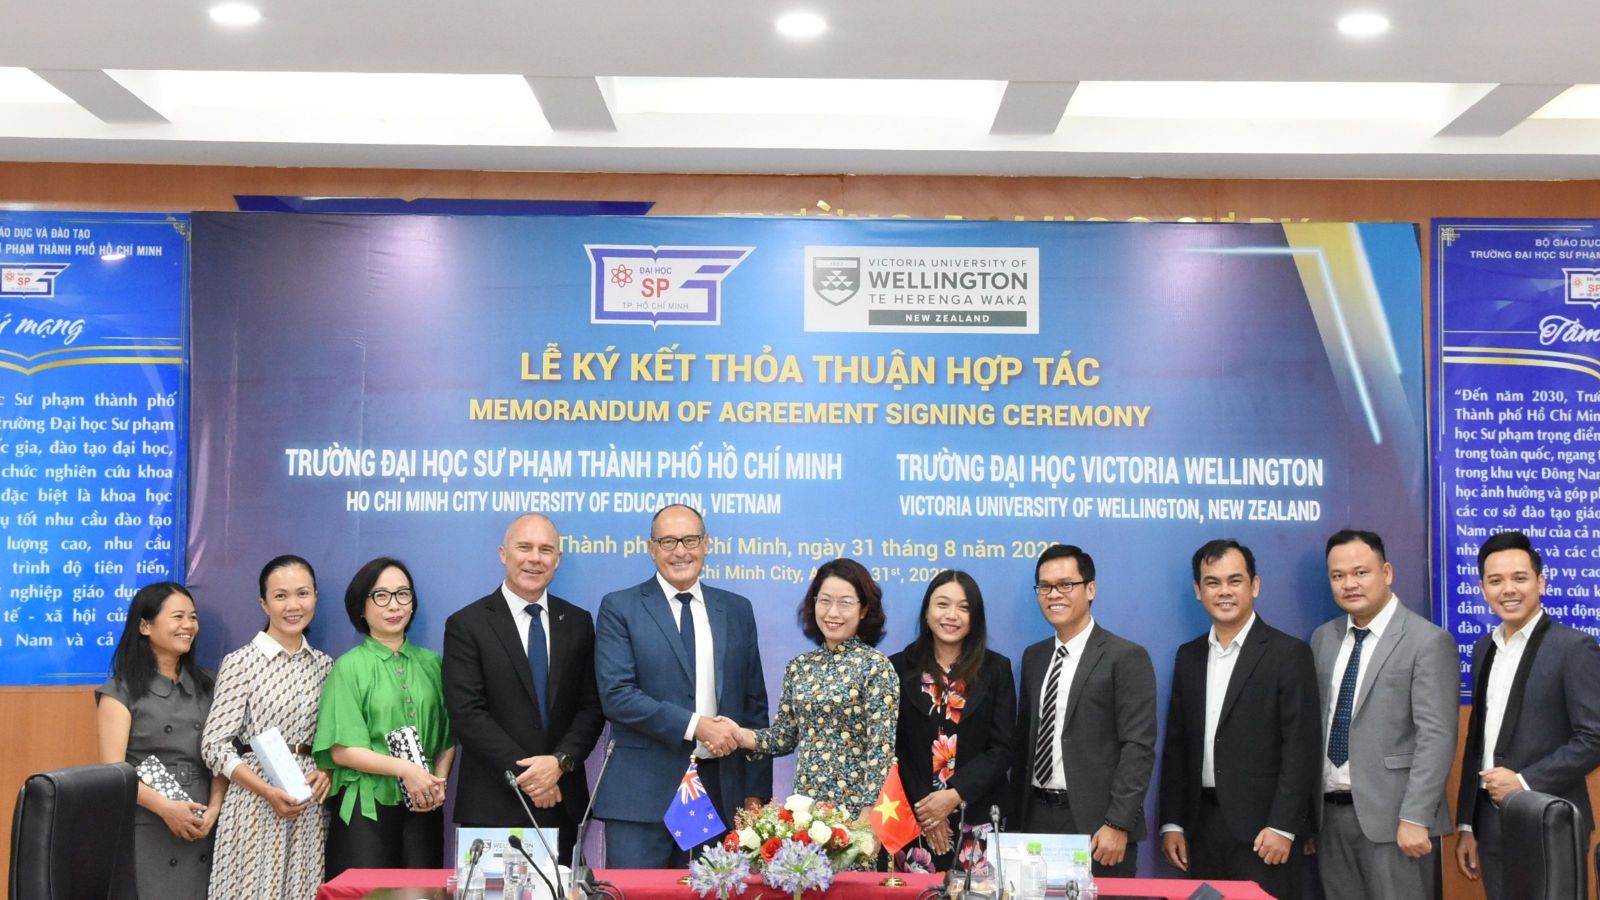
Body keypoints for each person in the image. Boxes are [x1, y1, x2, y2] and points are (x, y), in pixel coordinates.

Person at [594, 504, 772, 867]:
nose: (680, 551)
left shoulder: (737, 610)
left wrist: (756, 791)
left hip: (721, 794)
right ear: (651, 547)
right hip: (642, 797)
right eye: (668, 541)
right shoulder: (621, 607)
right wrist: (696, 725)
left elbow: (754, 706)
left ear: (707, 544)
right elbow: (617, 696)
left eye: (690, 539)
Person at [1158, 540, 1320, 900]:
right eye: (1212, 583)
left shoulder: (1288, 654)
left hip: (1265, 835)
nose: (1224, 591)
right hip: (1202, 830)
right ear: (1199, 592)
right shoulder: (1190, 657)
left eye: (1235, 580)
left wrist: (1284, 825)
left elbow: (1301, 746)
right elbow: (1178, 746)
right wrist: (1172, 822)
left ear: (1254, 586)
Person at [442, 514, 605, 862]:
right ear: (504, 553)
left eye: (546, 550)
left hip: (562, 801)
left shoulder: (578, 622)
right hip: (493, 804)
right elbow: (467, 714)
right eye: (524, 547)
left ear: (558, 560)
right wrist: (531, 776)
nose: (535, 558)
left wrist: (559, 764)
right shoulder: (466, 624)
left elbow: (591, 707)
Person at [1310, 529, 1457, 900]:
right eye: (1337, 576)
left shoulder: (1427, 641)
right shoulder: (1323, 638)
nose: (1349, 584)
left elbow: (1436, 736)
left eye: (1361, 572)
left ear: (1387, 572)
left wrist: (1415, 816)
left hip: (1396, 822)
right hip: (1331, 819)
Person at [1454, 530, 1600, 899]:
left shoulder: (1574, 647)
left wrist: (1524, 781)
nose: (1509, 590)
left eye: (1520, 578)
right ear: (1483, 589)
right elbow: (1477, 741)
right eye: (1496, 580)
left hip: (1550, 817)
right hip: (1490, 823)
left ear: (1541, 582)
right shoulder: (1483, 647)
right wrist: (1468, 823)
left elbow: (1594, 738)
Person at [1012, 543, 1156, 878]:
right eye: (1045, 587)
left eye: (1066, 584)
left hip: (1098, 826)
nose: (1054, 594)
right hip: (1034, 819)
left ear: (1090, 589)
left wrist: (1118, 822)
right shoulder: (1034, 657)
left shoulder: (1126, 656)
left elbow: (1138, 747)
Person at [202, 555, 334, 900]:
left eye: (302, 593)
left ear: (316, 597)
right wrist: (265, 790)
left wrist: (326, 771)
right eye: (280, 596)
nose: (293, 605)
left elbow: (333, 740)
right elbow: (215, 745)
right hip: (253, 802)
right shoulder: (240, 663)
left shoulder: (325, 666)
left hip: (307, 804)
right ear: (264, 603)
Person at [315, 557, 456, 879]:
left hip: (424, 804)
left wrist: (438, 780)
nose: (394, 605)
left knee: (422, 892)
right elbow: (341, 749)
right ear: (361, 608)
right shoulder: (349, 667)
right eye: (381, 595)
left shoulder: (434, 664)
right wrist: (406, 769)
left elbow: (449, 738)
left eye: (402, 594)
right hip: (366, 808)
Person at [734, 557, 899, 818]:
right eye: (824, 601)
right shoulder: (799, 667)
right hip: (805, 814)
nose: (833, 613)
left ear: (864, 609)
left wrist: (869, 818)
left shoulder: (876, 667)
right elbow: (785, 737)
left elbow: (881, 751)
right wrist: (742, 736)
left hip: (855, 818)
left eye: (845, 603)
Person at [95, 581, 227, 900]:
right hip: (149, 821)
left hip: (206, 821)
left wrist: (215, 808)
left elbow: (225, 753)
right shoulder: (120, 692)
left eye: (193, 617)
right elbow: (115, 771)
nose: (188, 626)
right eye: (177, 616)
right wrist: (167, 809)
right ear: (144, 625)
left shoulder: (212, 684)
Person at [889, 570, 1015, 871]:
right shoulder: (896, 668)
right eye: (942, 604)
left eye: (964, 607)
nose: (952, 615)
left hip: (979, 821)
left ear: (975, 617)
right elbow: (895, 749)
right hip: (914, 820)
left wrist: (954, 795)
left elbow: (1003, 748)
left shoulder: (996, 669)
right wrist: (929, 810)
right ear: (927, 611)